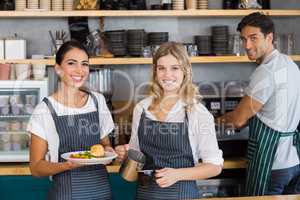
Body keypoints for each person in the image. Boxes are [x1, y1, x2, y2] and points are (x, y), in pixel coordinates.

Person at [116, 42, 223, 199]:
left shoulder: (196, 112)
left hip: (181, 195)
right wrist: (125, 154)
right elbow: (136, 153)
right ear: (155, 71)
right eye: (162, 68)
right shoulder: (142, 108)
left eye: (175, 68)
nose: (167, 75)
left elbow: (214, 167)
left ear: (185, 71)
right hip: (146, 194)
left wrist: (177, 174)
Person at [217, 12, 300, 196]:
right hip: (294, 162)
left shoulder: (266, 72)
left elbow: (238, 120)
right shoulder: (290, 64)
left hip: (271, 164)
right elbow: (272, 113)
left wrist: (214, 121)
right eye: (243, 39)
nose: (247, 45)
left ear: (269, 37)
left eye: (253, 38)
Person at [27, 40, 115, 200]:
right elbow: (35, 167)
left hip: (102, 192)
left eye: (85, 64)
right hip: (67, 193)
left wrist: (109, 152)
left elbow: (105, 145)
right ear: (58, 69)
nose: (80, 70)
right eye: (72, 63)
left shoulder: (97, 101)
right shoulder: (45, 110)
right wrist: (66, 165)